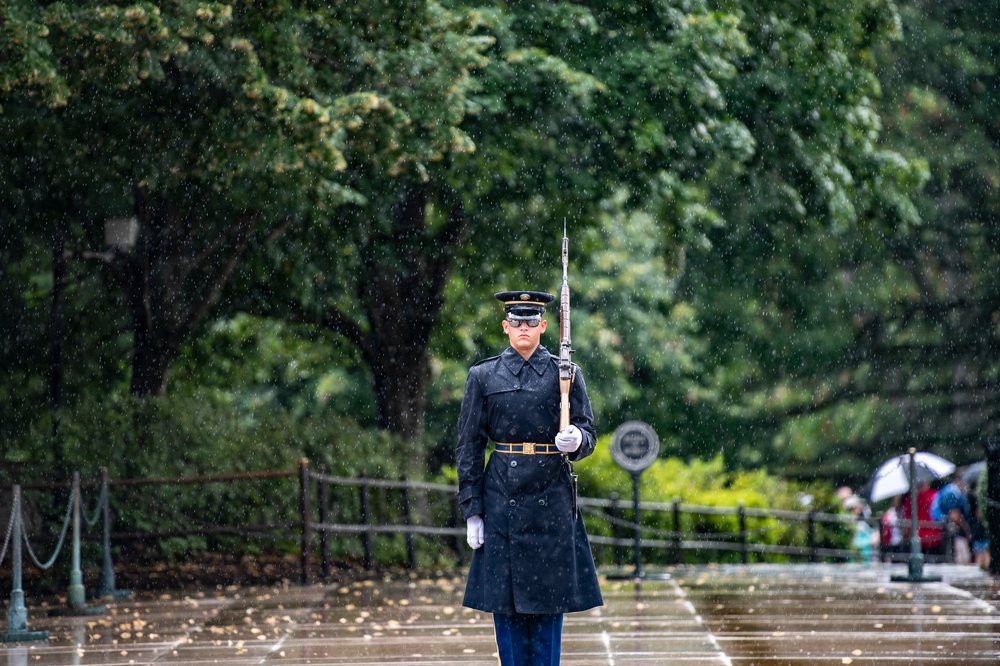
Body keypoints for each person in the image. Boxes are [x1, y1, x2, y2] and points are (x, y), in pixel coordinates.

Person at [456, 290, 603, 666]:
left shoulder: (565, 373)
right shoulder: (483, 375)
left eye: (532, 320)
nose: (525, 327)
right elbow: (469, 446)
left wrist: (576, 441)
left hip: (550, 499)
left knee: (549, 606)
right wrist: (472, 509)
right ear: (505, 327)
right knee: (504, 608)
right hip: (501, 497)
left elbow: (588, 433)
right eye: (517, 321)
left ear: (544, 326)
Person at [937, 471, 973, 564]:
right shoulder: (953, 492)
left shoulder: (949, 490)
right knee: (963, 559)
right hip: (955, 531)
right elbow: (954, 515)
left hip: (950, 529)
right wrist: (966, 529)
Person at [900, 480, 943, 556]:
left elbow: (907, 522)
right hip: (936, 539)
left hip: (917, 540)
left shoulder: (911, 498)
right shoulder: (936, 495)